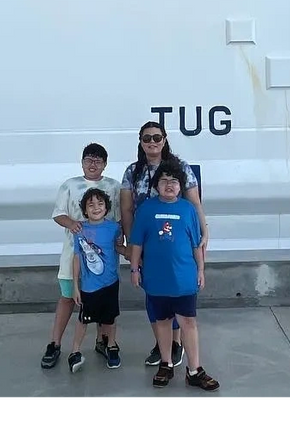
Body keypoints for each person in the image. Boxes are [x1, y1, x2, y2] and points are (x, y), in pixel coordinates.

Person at [120, 121, 208, 368]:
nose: (152, 142)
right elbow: (127, 209)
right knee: (155, 297)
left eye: (157, 137)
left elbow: (195, 203)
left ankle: (177, 344)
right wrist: (130, 243)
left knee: (178, 292)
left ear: (165, 139)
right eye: (146, 138)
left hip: (176, 242)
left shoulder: (180, 167)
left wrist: (204, 231)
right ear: (140, 141)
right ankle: (162, 345)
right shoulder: (132, 171)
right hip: (148, 242)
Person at [128, 161, 220, 391]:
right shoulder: (146, 209)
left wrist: (200, 269)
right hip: (156, 279)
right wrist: (134, 269)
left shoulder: (188, 210)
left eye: (174, 181)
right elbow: (137, 243)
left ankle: (194, 370)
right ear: (156, 185)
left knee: (188, 322)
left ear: (181, 186)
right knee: (162, 322)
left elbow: (196, 244)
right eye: (164, 181)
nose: (169, 185)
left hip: (184, 278)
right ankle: (166, 363)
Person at [41, 143, 122, 369]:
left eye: (98, 160)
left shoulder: (114, 186)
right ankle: (55, 344)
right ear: (82, 162)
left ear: (105, 164)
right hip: (74, 254)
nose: (93, 164)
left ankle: (103, 342)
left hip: (104, 258)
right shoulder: (70, 185)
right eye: (89, 159)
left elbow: (119, 218)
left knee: (103, 302)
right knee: (68, 297)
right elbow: (59, 214)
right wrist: (74, 224)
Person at [67, 187, 127, 372]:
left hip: (110, 282)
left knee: (110, 318)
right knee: (84, 319)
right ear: (84, 209)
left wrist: (135, 255)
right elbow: (77, 257)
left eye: (100, 203)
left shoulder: (114, 228)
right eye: (90, 204)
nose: (95, 207)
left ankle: (111, 346)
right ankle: (75, 351)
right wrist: (75, 286)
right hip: (88, 286)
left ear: (107, 207)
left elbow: (119, 247)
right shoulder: (79, 229)